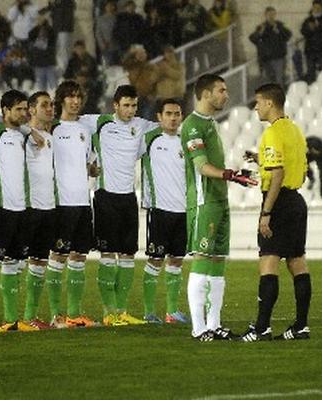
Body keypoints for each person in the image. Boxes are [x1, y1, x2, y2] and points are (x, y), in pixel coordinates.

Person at [181, 74, 256, 341]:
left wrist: (234, 175)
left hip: (220, 200)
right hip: (204, 202)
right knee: (202, 259)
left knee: (217, 261)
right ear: (205, 94)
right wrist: (230, 175)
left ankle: (214, 325)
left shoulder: (210, 123)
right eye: (221, 90)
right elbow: (201, 166)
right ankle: (198, 328)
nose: (226, 95)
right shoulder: (191, 125)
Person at [239, 83, 311, 341]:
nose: (256, 106)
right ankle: (301, 326)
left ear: (270, 103)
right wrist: (260, 160)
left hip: (278, 203)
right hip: (296, 201)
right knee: (297, 262)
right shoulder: (295, 130)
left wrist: (266, 213)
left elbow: (278, 173)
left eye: (258, 101)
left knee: (269, 260)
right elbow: (299, 170)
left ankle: (261, 328)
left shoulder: (271, 134)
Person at [92, 85, 157, 327]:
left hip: (129, 197)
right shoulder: (99, 123)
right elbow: (66, 124)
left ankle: (122, 310)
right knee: (109, 254)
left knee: (129, 254)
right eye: (126, 105)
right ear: (115, 105)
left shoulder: (141, 126)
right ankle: (109, 313)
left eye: (134, 105)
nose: (130, 110)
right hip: (106, 196)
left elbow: (169, 127)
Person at [0, 90, 39, 332]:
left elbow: (32, 132)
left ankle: (11, 320)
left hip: (20, 208)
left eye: (26, 109)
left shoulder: (23, 135)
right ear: (5, 110)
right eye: (19, 109)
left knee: (13, 264)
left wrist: (29, 129)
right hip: (0, 207)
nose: (24, 113)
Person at [47, 80, 98, 328]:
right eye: (70, 96)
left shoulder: (85, 130)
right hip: (61, 202)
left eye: (78, 96)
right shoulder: (52, 128)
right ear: (61, 100)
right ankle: (56, 315)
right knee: (58, 256)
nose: (75, 101)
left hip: (82, 201)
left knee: (79, 257)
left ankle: (74, 314)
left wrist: (93, 168)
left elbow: (90, 164)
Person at [140, 98, 188, 324]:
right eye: (168, 113)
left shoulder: (185, 142)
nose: (173, 118)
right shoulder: (148, 139)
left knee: (177, 260)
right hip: (159, 210)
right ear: (159, 117)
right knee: (155, 260)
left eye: (177, 114)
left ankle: (172, 312)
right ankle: (149, 312)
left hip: (183, 211)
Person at [22, 91, 56, 328]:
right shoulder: (20, 135)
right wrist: (26, 129)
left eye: (51, 104)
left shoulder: (50, 136)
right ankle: (15, 318)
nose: (50, 108)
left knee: (40, 262)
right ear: (31, 109)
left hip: (48, 206)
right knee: (12, 262)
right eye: (44, 105)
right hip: (28, 206)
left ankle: (29, 316)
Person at [249, 7, 292, 86]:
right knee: (268, 81)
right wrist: (260, 33)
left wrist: (278, 31)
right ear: (265, 15)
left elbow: (288, 36)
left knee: (279, 80)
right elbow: (252, 38)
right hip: (266, 58)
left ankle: (280, 97)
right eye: (269, 14)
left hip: (278, 57)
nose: (271, 16)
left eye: (273, 14)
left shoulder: (279, 26)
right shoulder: (261, 27)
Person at [121, 46, 158, 120]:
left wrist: (153, 95)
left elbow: (155, 82)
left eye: (143, 53)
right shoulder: (131, 66)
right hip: (134, 97)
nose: (142, 55)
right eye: (139, 53)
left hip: (148, 97)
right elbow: (125, 63)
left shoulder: (150, 67)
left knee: (146, 119)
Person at [301, 1, 322, 83]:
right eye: (315, 7)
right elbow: (303, 32)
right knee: (311, 73)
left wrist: (319, 27)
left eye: (318, 8)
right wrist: (310, 28)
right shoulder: (307, 20)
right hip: (310, 51)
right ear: (312, 8)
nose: (317, 9)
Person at [43, 0, 76, 73]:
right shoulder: (56, 3)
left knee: (63, 50)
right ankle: (59, 70)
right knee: (58, 50)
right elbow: (48, 10)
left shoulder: (68, 2)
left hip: (64, 29)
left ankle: (63, 71)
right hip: (57, 28)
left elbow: (66, 13)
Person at [28, 15, 57, 92]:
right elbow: (30, 35)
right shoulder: (34, 35)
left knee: (54, 86)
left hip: (49, 64)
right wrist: (38, 26)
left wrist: (44, 24)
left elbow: (52, 34)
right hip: (38, 65)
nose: (42, 33)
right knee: (41, 88)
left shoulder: (50, 34)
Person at [95, 0, 119, 66]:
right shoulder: (100, 19)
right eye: (108, 6)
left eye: (112, 6)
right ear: (105, 7)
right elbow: (98, 33)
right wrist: (102, 44)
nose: (110, 7)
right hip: (105, 47)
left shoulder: (117, 18)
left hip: (116, 47)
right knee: (106, 66)